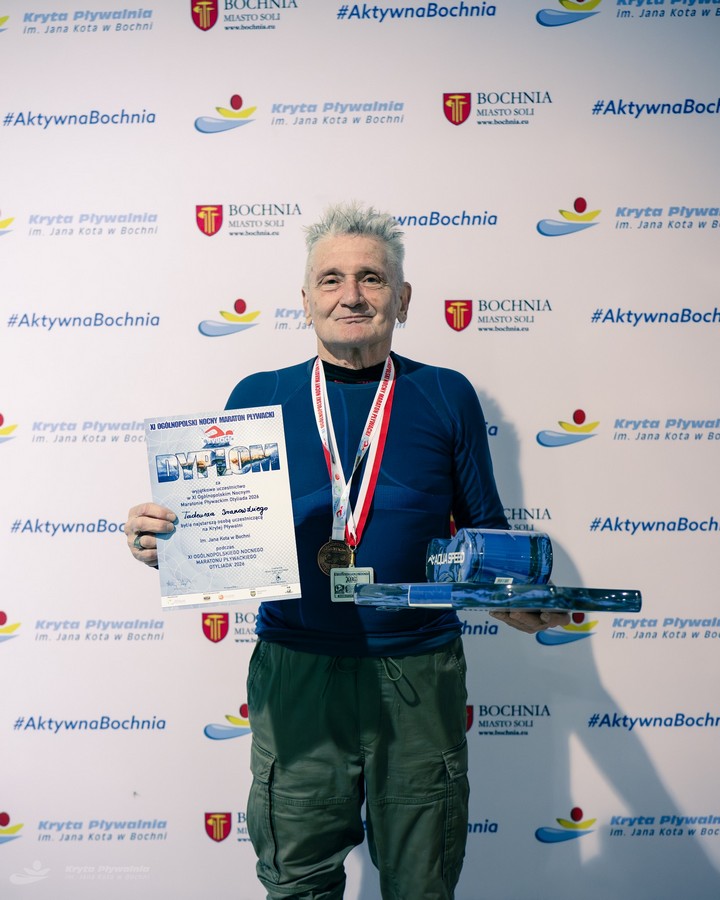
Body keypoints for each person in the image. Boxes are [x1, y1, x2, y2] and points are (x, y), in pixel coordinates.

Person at [125, 202, 569, 900]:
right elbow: (220, 529)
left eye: (371, 277)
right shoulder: (259, 396)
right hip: (297, 672)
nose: (352, 295)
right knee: (297, 882)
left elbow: (485, 532)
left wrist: (517, 603)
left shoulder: (444, 394)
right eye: (331, 279)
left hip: (418, 674)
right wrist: (167, 543)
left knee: (422, 883)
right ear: (305, 300)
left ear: (403, 298)